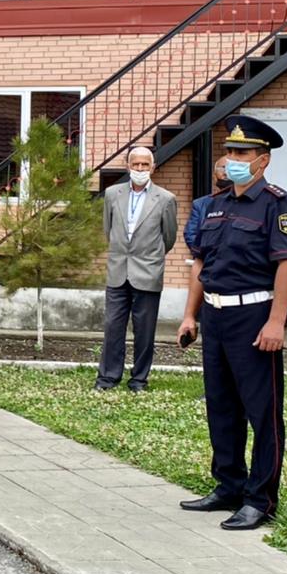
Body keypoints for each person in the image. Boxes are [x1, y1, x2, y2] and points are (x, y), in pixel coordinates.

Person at [177, 116, 287, 532]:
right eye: (230, 151)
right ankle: (228, 486)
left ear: (262, 160)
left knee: (262, 411)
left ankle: (260, 499)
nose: (232, 159)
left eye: (242, 153)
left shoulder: (277, 204)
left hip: (254, 317)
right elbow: (202, 264)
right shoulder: (215, 205)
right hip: (215, 314)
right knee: (222, 407)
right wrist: (190, 315)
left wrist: (276, 322)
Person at [96, 147, 178, 392]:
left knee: (144, 331)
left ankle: (139, 379)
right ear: (127, 166)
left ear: (153, 167)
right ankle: (107, 378)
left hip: (148, 273)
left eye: (145, 165)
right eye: (136, 164)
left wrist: (150, 259)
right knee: (113, 327)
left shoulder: (165, 199)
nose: (140, 169)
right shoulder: (112, 194)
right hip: (118, 271)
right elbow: (107, 229)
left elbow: (169, 237)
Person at [184, 156, 231, 251]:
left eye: (230, 169)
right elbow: (191, 235)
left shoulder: (247, 202)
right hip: (207, 261)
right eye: (222, 168)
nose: (226, 173)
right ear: (214, 177)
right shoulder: (200, 204)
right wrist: (205, 255)